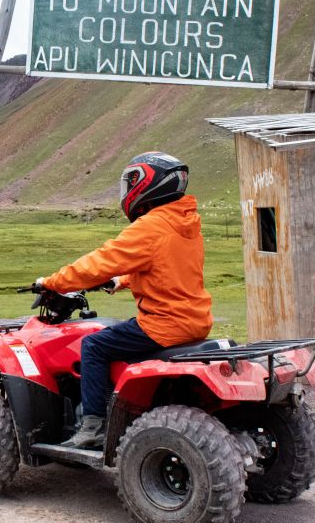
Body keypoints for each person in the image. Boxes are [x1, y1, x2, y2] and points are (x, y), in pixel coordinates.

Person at [37, 152, 213, 449]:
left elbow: (101, 261)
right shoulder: (186, 223)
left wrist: (53, 282)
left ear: (147, 184)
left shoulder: (151, 226)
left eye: (131, 181)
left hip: (163, 325)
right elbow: (168, 268)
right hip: (196, 322)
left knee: (93, 345)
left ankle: (92, 425)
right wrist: (122, 281)